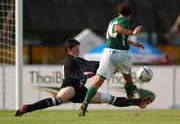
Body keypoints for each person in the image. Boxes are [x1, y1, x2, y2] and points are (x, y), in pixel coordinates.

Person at [15, 39, 154, 117]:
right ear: (70, 49)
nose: (79, 51)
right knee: (57, 100)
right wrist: (113, 67)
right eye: (77, 49)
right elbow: (95, 65)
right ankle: (27, 108)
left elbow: (75, 73)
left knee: (110, 99)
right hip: (71, 87)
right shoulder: (73, 59)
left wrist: (84, 76)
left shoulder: (69, 61)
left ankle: (139, 102)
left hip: (79, 89)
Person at [79, 3, 155, 116]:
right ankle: (132, 99)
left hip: (107, 53)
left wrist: (133, 43)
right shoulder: (124, 21)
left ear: (119, 12)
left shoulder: (111, 22)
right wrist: (132, 32)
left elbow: (116, 35)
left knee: (97, 82)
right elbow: (118, 29)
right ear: (130, 13)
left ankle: (85, 103)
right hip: (121, 53)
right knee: (128, 79)